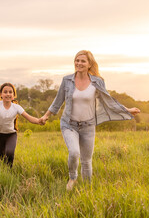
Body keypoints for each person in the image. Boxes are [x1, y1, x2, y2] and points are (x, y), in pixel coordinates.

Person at [41, 50, 140, 191]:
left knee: (87, 161)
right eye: (77, 60)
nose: (79, 63)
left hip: (88, 126)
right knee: (74, 152)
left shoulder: (97, 82)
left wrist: (127, 110)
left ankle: (87, 190)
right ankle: (73, 178)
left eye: (82, 61)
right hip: (69, 124)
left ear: (89, 64)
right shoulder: (67, 80)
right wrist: (46, 116)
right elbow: (58, 101)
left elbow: (109, 101)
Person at [0, 83, 44, 167]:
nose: (8, 94)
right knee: (0, 159)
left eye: (10, 92)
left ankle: (9, 171)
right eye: (5, 92)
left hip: (10, 135)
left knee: (10, 152)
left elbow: (29, 118)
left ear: (14, 95)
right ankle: (3, 172)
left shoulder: (16, 107)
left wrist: (39, 121)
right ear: (1, 94)